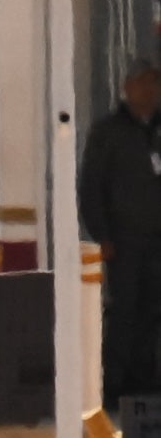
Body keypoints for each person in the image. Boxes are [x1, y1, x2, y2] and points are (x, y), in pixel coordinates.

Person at [81, 62, 161, 410]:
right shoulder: (108, 132)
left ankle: (147, 382)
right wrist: (103, 235)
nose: (150, 90)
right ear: (128, 87)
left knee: (152, 312)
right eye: (143, 84)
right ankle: (114, 384)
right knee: (124, 311)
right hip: (124, 243)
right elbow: (91, 187)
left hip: (157, 243)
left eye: (155, 84)